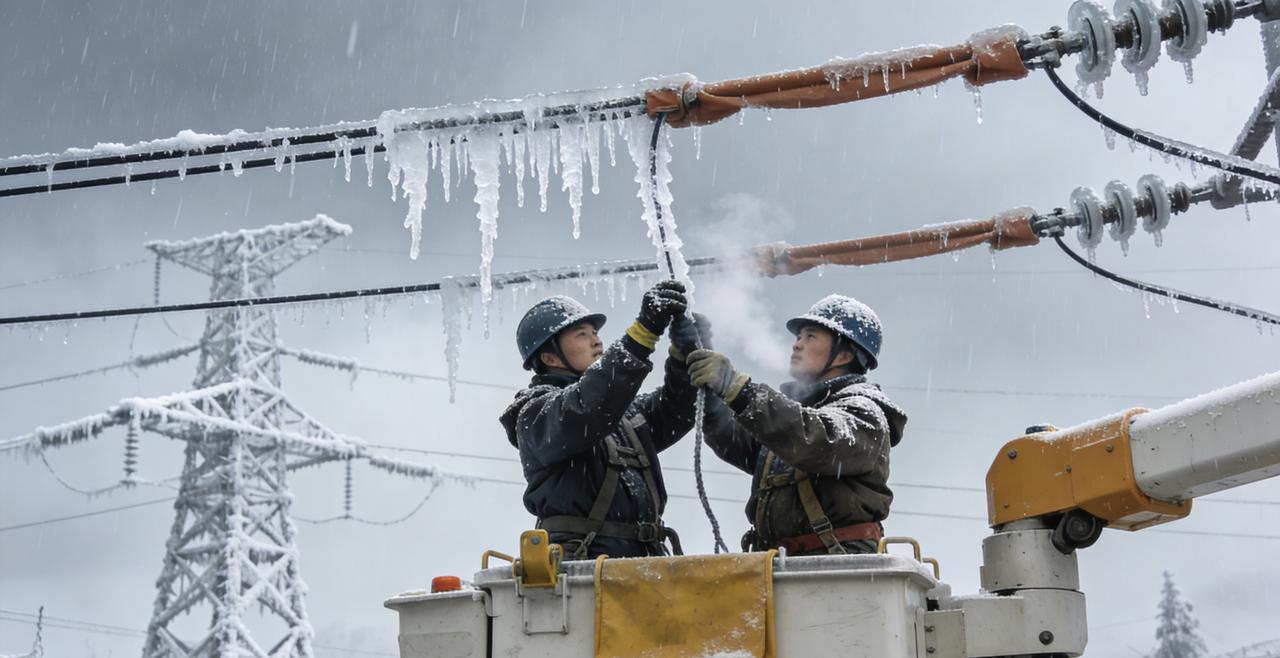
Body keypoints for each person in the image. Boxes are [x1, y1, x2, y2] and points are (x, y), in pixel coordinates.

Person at [688, 294, 907, 555]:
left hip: (842, 568)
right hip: (782, 566)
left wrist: (740, 390)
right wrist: (698, 364)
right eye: (798, 337)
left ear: (844, 355)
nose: (797, 345)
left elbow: (816, 439)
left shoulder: (865, 412)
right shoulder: (794, 418)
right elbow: (734, 439)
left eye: (810, 336)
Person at [499, 281, 705, 559]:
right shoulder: (534, 415)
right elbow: (587, 407)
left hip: (642, 562)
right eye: (581, 334)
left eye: (595, 332)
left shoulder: (622, 413)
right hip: (581, 568)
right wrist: (643, 333)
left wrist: (683, 357)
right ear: (550, 357)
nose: (596, 340)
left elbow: (675, 411)